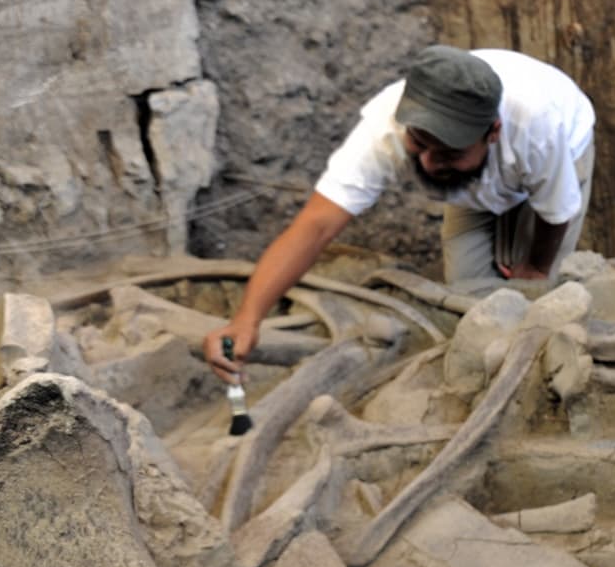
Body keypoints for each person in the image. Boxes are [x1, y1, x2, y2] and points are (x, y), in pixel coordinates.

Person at [203, 45, 595, 380]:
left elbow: (556, 211)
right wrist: (247, 319)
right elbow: (316, 226)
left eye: (448, 152)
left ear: (492, 132)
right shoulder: (385, 124)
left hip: (556, 153)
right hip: (477, 181)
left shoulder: (540, 128)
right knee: (467, 294)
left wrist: (534, 268)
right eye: (419, 143)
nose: (428, 164)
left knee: (534, 296)